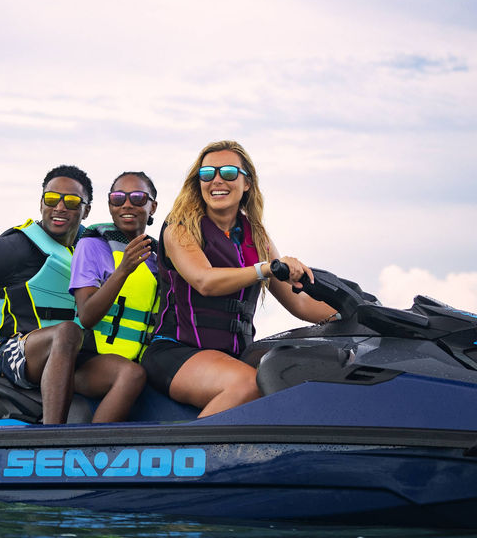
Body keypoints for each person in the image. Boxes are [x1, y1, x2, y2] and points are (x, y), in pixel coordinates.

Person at [0, 165, 145, 424]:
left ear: (87, 210)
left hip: (69, 355)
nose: (60, 207)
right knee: (67, 331)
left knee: (131, 374)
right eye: (52, 199)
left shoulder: (93, 245)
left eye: (72, 202)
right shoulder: (13, 249)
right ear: (41, 203)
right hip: (11, 355)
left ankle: (91, 454)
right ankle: (52, 441)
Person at [141, 141, 333, 417]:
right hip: (176, 353)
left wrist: (356, 315)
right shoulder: (179, 228)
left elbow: (300, 304)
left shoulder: (257, 236)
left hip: (235, 355)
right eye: (207, 174)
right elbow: (205, 281)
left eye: (229, 173)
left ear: (247, 184)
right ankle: (193, 455)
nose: (217, 180)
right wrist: (265, 269)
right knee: (248, 384)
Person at [69, 171, 161, 363]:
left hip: (145, 359)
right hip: (93, 357)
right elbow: (86, 316)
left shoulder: (158, 256)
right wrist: (123, 269)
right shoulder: (91, 245)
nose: (127, 204)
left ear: (152, 207)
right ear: (110, 205)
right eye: (118, 198)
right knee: (132, 376)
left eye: (138, 198)